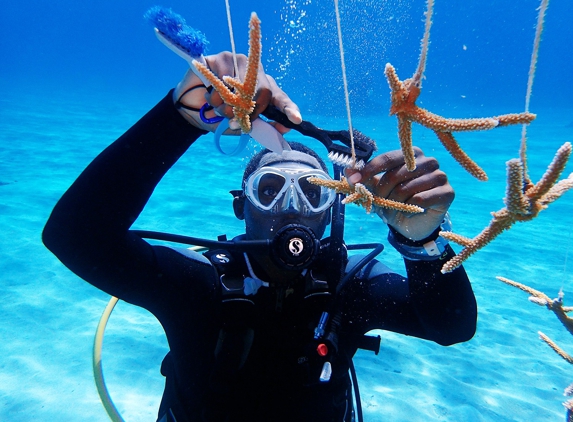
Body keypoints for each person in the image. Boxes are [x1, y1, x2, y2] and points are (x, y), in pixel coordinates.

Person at [42, 51, 477, 422]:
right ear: (242, 206)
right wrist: (183, 117)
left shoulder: (350, 286)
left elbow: (452, 327)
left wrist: (423, 245)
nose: (290, 207)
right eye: (269, 191)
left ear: (330, 211)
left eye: (312, 192)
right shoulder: (199, 285)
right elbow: (74, 235)